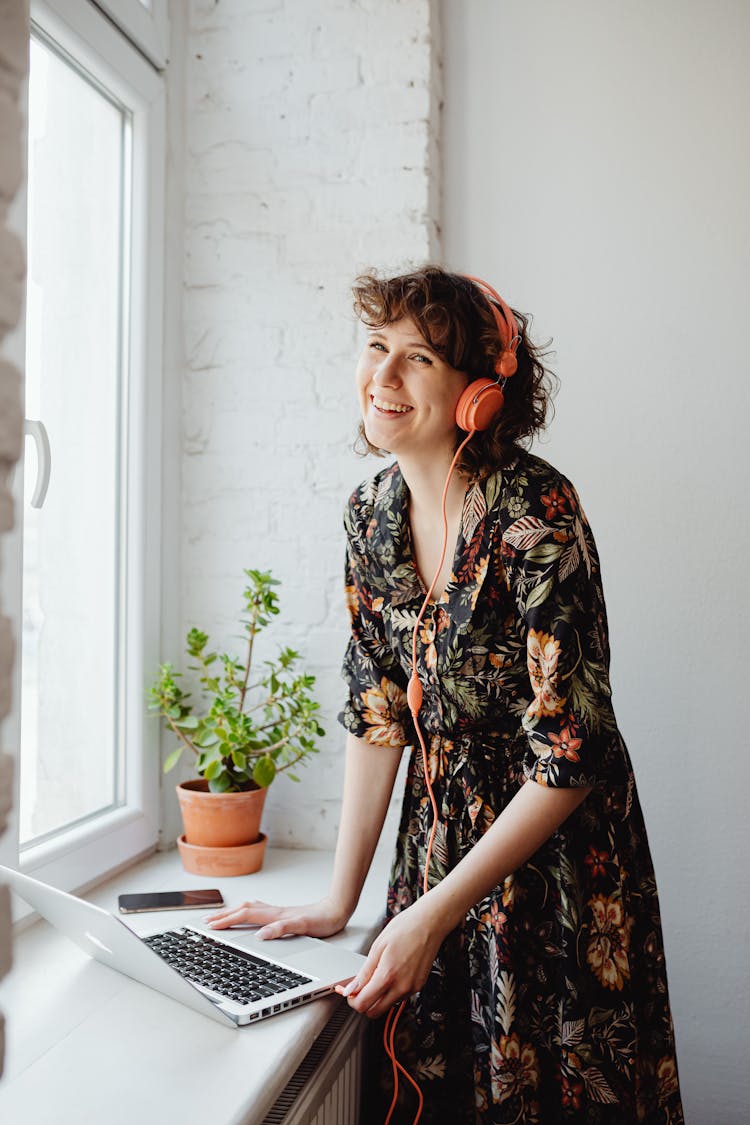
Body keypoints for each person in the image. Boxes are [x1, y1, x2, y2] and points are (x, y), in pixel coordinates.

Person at [206, 267, 684, 1125]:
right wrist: (339, 900)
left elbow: (569, 755)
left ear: (479, 396)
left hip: (551, 870)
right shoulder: (369, 515)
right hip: (431, 862)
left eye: (417, 358)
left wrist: (433, 913)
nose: (382, 378)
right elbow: (379, 711)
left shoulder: (539, 513)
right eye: (377, 348)